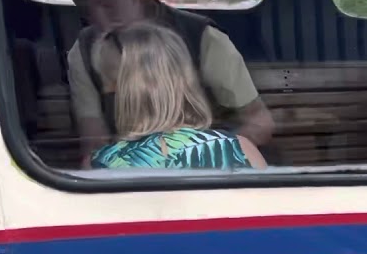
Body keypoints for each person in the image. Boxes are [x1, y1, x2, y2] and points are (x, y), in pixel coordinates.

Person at [62, 0, 273, 166]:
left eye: (108, 4)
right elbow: (93, 139)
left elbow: (259, 121)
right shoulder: (83, 52)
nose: (100, 20)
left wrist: (210, 157)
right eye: (88, 13)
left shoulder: (204, 37)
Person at [88, 23, 266, 171]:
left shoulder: (101, 164)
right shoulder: (240, 150)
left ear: (129, 92)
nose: (104, 91)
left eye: (109, 82)